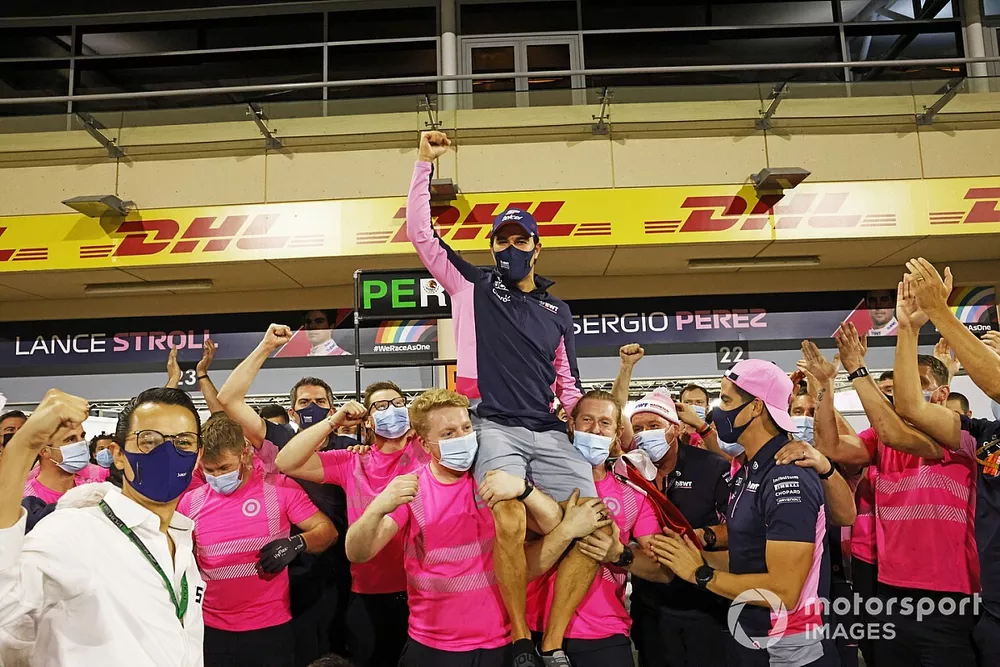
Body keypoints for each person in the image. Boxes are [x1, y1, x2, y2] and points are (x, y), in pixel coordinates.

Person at [410, 131, 595, 667]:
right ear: (491, 246)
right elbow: (422, 235)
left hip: (548, 430)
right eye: (501, 241)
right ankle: (519, 639)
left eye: (520, 241)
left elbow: (569, 384)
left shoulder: (559, 311)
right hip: (493, 425)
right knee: (510, 522)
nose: (509, 249)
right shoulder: (471, 284)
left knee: (596, 521)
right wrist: (424, 163)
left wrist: (602, 424)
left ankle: (553, 640)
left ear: (538, 246)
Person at [344, 388, 565, 667]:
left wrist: (524, 490)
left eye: (465, 428)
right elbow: (358, 552)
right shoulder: (413, 488)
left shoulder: (495, 479)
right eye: (448, 434)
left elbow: (552, 525)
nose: (462, 438)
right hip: (432, 647)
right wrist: (377, 506)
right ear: (425, 444)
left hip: (502, 645)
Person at [814, 314, 979, 667]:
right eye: (900, 384)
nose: (903, 393)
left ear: (942, 393)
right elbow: (830, 445)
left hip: (948, 596)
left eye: (915, 383)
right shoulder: (879, 439)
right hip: (888, 590)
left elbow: (897, 431)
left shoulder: (960, 436)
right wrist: (825, 389)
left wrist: (858, 369)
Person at [0, 387, 206, 665]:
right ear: (118, 455)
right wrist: (23, 448)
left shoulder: (179, 541)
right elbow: (6, 603)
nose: (168, 452)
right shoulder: (76, 530)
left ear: (197, 456)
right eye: (148, 440)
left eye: (183, 442)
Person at [652, 359, 837, 667]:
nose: (717, 411)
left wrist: (700, 573)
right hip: (751, 631)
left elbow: (784, 590)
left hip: (786, 645)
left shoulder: (785, 475)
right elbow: (747, 555)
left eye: (726, 400)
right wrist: (682, 553)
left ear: (755, 408)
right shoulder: (749, 469)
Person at [218, 324, 353, 665]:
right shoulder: (276, 436)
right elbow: (229, 399)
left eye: (321, 402)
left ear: (332, 408)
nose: (313, 407)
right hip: (294, 564)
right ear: (293, 412)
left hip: (349, 564)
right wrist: (265, 346)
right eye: (305, 402)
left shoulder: (349, 448)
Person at [275, 381, 428, 667]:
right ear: (368, 420)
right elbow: (286, 461)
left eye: (397, 403)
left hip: (421, 593)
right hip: (367, 593)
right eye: (380, 406)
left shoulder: (425, 451)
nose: (391, 410)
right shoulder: (353, 461)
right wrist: (333, 421)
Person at [890, 262, 998, 665]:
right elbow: (911, 407)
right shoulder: (986, 434)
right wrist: (908, 329)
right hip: (991, 613)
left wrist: (941, 313)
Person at [525, 390, 673, 667]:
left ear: (617, 433)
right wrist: (564, 533)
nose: (595, 429)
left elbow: (662, 571)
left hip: (604, 635)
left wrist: (619, 554)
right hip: (534, 627)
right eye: (587, 420)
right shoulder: (536, 486)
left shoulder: (633, 495)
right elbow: (516, 564)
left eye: (604, 423)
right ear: (571, 424)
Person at [179, 413, 336, 667]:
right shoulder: (190, 502)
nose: (217, 476)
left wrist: (298, 543)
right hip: (211, 630)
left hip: (270, 628)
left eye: (224, 468)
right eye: (209, 470)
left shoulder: (278, 488)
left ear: (243, 454)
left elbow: (327, 531)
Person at [623, 388, 732, 667]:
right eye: (638, 428)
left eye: (654, 426)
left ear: (674, 427)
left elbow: (739, 528)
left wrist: (700, 537)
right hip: (650, 605)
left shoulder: (711, 467)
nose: (645, 433)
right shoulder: (628, 473)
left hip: (705, 602)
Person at [22, 423, 99, 503]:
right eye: (70, 439)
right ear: (44, 451)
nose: (82, 444)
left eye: (82, 436)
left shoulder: (94, 491)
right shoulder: (22, 501)